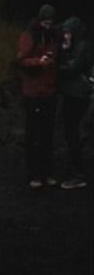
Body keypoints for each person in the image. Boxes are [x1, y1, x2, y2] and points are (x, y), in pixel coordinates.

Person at [13, 7, 63, 190]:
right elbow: (21, 60)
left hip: (49, 91)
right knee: (33, 135)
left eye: (51, 22)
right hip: (33, 93)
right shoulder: (29, 36)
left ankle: (47, 172)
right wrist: (38, 62)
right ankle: (33, 174)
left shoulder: (54, 36)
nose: (48, 25)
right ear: (40, 20)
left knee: (47, 135)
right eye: (45, 22)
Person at [57, 14, 90, 190]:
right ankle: (75, 169)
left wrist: (57, 65)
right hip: (72, 94)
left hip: (78, 96)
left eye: (68, 32)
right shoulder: (76, 47)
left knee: (73, 133)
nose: (66, 35)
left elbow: (73, 69)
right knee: (70, 133)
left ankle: (79, 173)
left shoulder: (82, 48)